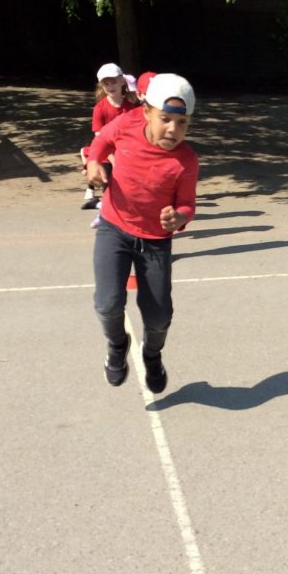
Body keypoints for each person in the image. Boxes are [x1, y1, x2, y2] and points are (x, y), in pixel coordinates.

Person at [85, 73, 199, 393]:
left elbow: (188, 205)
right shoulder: (126, 124)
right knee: (107, 303)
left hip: (155, 241)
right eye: (166, 119)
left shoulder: (186, 161)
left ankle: (152, 354)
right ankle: (117, 345)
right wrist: (93, 162)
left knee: (159, 316)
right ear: (147, 112)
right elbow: (101, 141)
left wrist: (179, 217)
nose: (173, 129)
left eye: (182, 123)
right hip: (114, 228)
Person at [80, 63, 137, 211]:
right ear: (102, 86)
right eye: (106, 83)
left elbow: (135, 134)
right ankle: (102, 206)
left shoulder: (130, 107)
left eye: (113, 82)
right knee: (110, 192)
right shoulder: (99, 108)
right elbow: (100, 138)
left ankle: (101, 206)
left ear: (122, 81)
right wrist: (113, 159)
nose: (110, 86)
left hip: (125, 153)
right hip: (106, 155)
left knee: (130, 191)